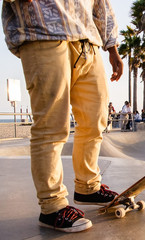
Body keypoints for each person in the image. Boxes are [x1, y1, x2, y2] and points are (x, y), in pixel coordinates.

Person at [2, 0, 123, 233]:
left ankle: (88, 187)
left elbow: (101, 4)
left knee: (96, 120)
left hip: (88, 41)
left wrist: (112, 48)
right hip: (43, 35)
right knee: (51, 125)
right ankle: (52, 206)